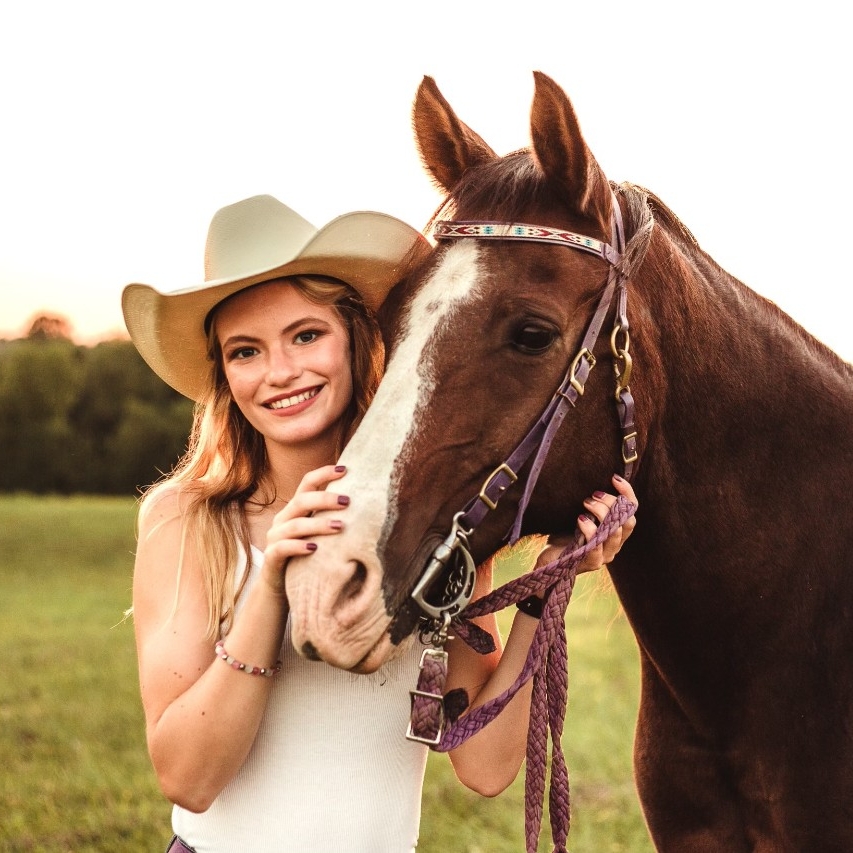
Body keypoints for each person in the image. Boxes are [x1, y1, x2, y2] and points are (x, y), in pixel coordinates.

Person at [122, 193, 638, 853]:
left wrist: (546, 584)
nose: (279, 372)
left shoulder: (435, 524)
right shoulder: (185, 520)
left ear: (354, 338)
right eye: (245, 351)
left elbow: (483, 765)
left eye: (305, 335)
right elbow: (187, 776)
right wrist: (270, 585)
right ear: (224, 373)